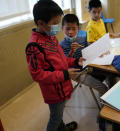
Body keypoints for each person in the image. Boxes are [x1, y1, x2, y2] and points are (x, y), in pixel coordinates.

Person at [25, 0, 84, 130]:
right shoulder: (34, 46)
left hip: (62, 85)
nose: (58, 27)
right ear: (41, 23)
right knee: (55, 118)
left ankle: (62, 129)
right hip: (54, 92)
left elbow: (61, 59)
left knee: (59, 114)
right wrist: (64, 74)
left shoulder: (51, 37)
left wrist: (75, 61)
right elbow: (38, 75)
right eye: (55, 23)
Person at [60, 14, 108, 100]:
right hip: (76, 73)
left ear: (78, 29)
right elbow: (64, 64)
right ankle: (104, 110)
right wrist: (71, 52)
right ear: (62, 29)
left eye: (73, 29)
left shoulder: (82, 39)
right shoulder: (61, 45)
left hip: (88, 66)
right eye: (67, 29)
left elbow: (89, 50)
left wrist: (97, 52)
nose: (70, 32)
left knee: (109, 74)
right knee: (103, 88)